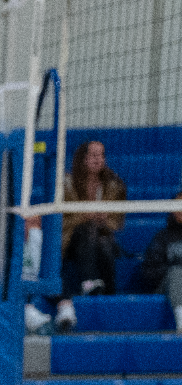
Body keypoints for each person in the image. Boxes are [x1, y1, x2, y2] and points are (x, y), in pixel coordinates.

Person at [50, 139, 128, 330]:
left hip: (102, 238)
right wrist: (84, 216)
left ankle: (103, 291)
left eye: (101, 155)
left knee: (102, 239)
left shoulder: (114, 185)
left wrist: (104, 219)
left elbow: (118, 223)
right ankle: (94, 284)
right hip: (69, 240)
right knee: (87, 228)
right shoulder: (65, 184)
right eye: (93, 155)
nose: (98, 159)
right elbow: (58, 223)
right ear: (82, 158)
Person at [132, 193, 182, 316]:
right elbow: (148, 271)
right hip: (168, 286)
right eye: (178, 206)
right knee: (176, 273)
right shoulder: (162, 237)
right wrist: (174, 271)